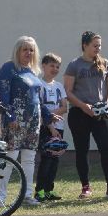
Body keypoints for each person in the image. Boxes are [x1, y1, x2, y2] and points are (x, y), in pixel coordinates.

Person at [63, 31, 108, 200]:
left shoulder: (105, 64)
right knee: (82, 150)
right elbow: (68, 91)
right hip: (80, 113)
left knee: (107, 148)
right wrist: (84, 106)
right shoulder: (74, 65)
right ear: (84, 45)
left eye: (99, 45)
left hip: (101, 113)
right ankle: (85, 187)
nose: (98, 48)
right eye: (94, 45)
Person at [0, 36, 45, 206]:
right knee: (9, 158)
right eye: (25, 49)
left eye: (31, 50)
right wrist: (10, 117)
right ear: (17, 51)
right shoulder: (9, 68)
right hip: (15, 120)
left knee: (29, 159)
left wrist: (47, 115)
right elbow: (2, 95)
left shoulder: (33, 71)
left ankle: (27, 196)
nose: (28, 53)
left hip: (33, 121)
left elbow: (37, 98)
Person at [35, 53, 68, 202]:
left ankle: (49, 190)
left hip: (58, 126)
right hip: (45, 127)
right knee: (46, 159)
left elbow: (64, 107)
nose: (55, 69)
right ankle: (39, 191)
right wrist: (49, 122)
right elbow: (39, 109)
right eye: (51, 66)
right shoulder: (38, 85)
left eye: (57, 66)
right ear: (43, 66)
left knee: (55, 159)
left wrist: (51, 115)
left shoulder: (59, 86)